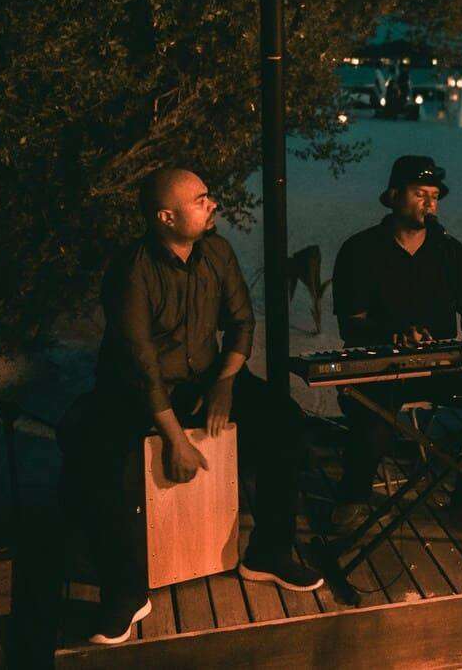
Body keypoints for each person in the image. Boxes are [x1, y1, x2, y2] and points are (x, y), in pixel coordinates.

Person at [58, 168, 322, 646]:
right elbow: (140, 363)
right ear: (166, 216)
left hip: (205, 378)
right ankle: (125, 591)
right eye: (201, 200)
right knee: (94, 448)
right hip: (137, 390)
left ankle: (267, 552)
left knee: (284, 422)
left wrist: (225, 383)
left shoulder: (216, 252)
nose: (213, 205)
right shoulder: (130, 270)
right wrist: (176, 438)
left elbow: (241, 323)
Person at [329, 155, 462, 537]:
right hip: (380, 367)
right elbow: (351, 322)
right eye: (419, 194)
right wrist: (395, 332)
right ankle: (353, 496)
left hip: (440, 368)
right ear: (395, 196)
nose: (429, 203)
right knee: (373, 415)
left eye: (434, 196)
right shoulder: (360, 250)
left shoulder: (450, 251)